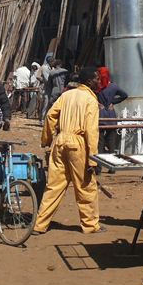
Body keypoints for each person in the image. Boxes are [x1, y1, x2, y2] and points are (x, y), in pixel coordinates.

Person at [33, 66, 104, 235]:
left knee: (54, 186)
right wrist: (93, 160)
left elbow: (50, 116)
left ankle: (40, 224)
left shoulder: (66, 95)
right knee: (86, 186)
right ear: (89, 81)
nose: (99, 82)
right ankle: (90, 225)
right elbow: (91, 131)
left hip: (60, 141)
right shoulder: (90, 100)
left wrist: (47, 139)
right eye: (96, 79)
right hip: (77, 144)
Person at [95, 66, 129, 153]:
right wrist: (113, 102)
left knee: (100, 142)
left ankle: (99, 164)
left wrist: (97, 103)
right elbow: (124, 95)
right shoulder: (113, 86)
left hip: (100, 116)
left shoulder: (96, 87)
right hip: (111, 115)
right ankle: (112, 161)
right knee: (111, 142)